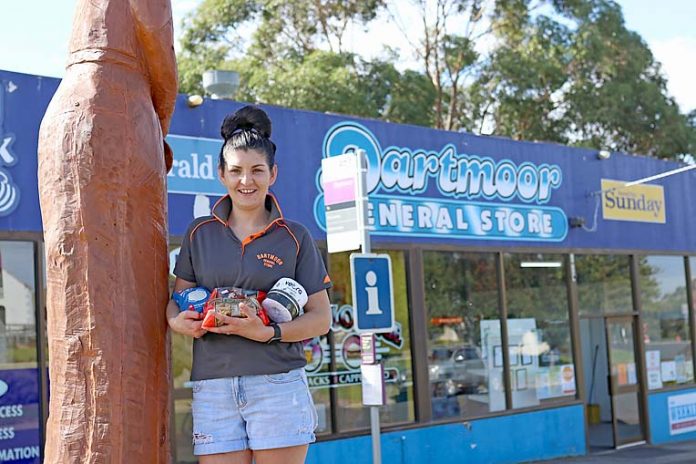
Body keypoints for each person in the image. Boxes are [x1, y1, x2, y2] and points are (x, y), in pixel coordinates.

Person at [166, 105, 332, 464]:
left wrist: (268, 332)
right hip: (213, 386)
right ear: (221, 174)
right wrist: (176, 321)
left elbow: (321, 318)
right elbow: (178, 298)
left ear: (273, 173)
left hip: (277, 383)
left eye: (257, 170)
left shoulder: (294, 236)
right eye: (237, 171)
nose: (247, 181)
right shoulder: (199, 233)